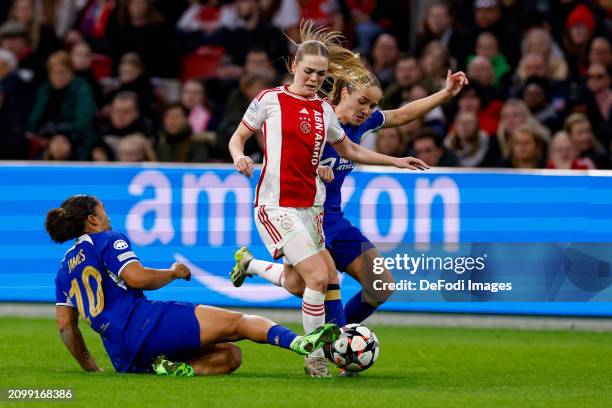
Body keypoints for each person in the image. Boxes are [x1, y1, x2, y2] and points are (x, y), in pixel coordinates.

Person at [228, 22, 431, 377]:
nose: (314, 79)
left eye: (321, 75)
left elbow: (349, 149)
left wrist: (395, 160)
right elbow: (238, 136)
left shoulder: (324, 110)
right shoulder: (269, 100)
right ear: (294, 66)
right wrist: (238, 156)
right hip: (277, 206)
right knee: (321, 278)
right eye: (308, 72)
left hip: (313, 210)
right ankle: (315, 357)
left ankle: (250, 264)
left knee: (300, 282)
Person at [46, 195, 339, 376]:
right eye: (104, 210)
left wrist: (91, 368)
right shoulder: (107, 239)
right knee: (240, 322)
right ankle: (300, 343)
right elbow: (136, 278)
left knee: (229, 356)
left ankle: (179, 370)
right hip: (145, 323)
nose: (108, 216)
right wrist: (173, 273)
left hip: (123, 355)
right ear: (93, 219)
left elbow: (65, 327)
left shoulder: (63, 270)